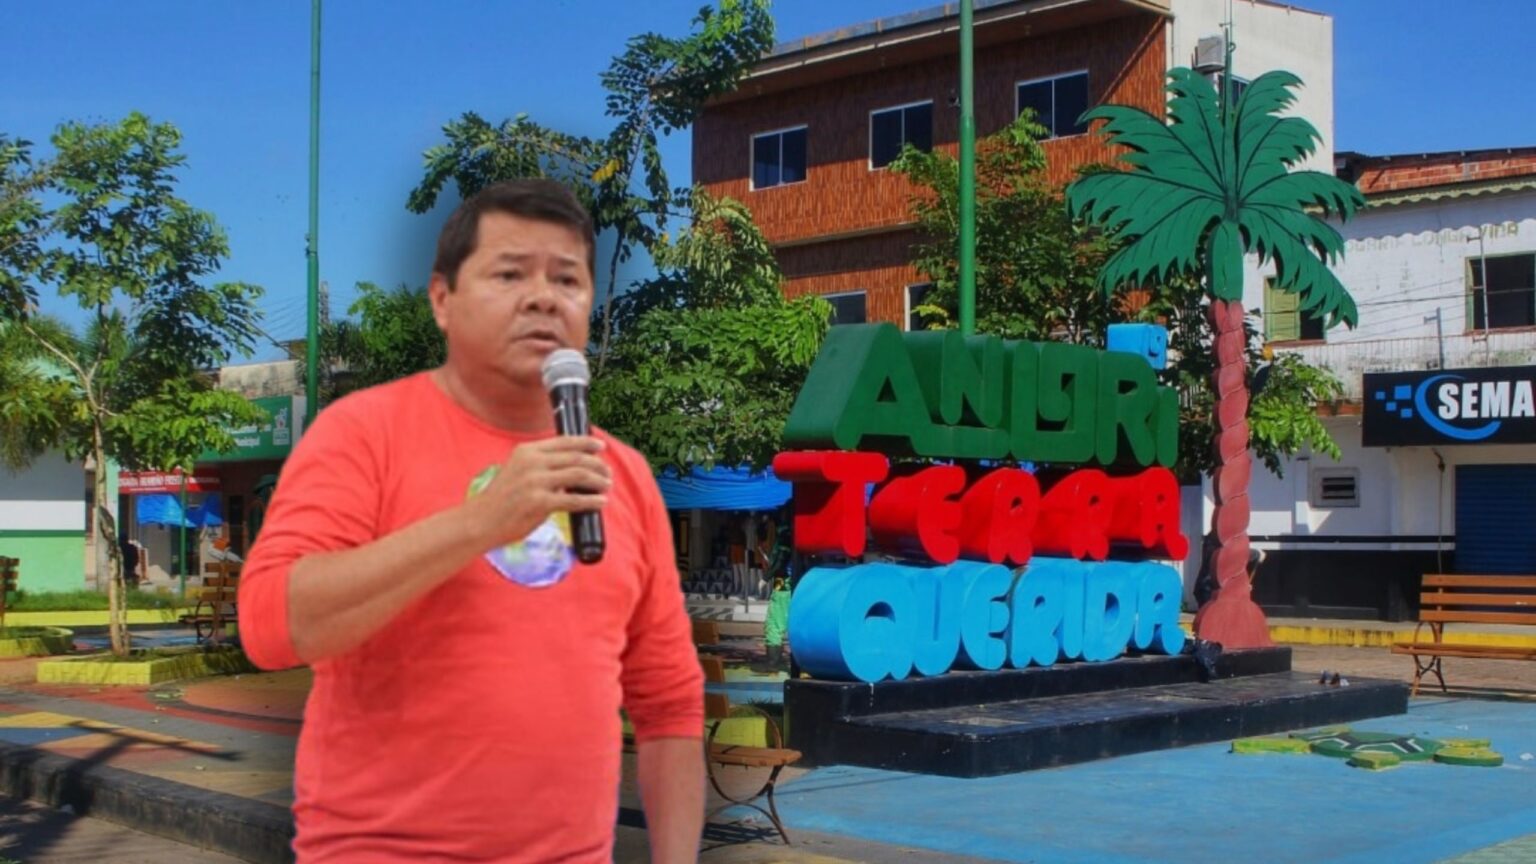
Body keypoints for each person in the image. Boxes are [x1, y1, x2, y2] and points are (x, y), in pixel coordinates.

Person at [238, 179, 705, 863]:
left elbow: (668, 704)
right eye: (510, 274)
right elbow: (269, 627)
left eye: (567, 279)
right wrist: (479, 523)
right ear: (442, 300)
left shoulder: (625, 476)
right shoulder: (363, 434)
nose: (543, 298)